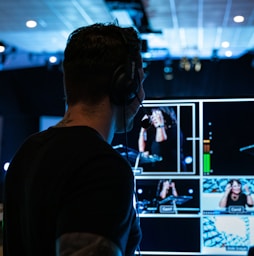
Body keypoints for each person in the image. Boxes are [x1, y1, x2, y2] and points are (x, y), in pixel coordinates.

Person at [3, 23, 145, 256]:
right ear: (125, 85)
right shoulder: (103, 167)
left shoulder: (28, 151)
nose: (142, 94)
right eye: (141, 82)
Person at [138, 107, 187, 172]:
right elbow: (141, 150)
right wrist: (143, 129)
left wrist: (160, 124)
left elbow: (160, 142)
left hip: (173, 171)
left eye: (156, 115)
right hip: (158, 169)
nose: (154, 118)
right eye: (153, 116)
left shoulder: (174, 129)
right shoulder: (154, 131)